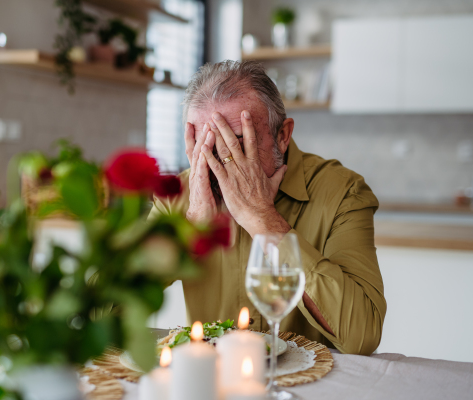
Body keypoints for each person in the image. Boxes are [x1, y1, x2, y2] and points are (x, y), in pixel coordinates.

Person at [148, 60, 386, 355]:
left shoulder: (342, 192)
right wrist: (188, 230)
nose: (217, 159)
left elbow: (361, 336)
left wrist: (264, 220)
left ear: (283, 136)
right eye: (202, 144)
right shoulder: (178, 196)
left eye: (235, 143)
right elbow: (98, 313)